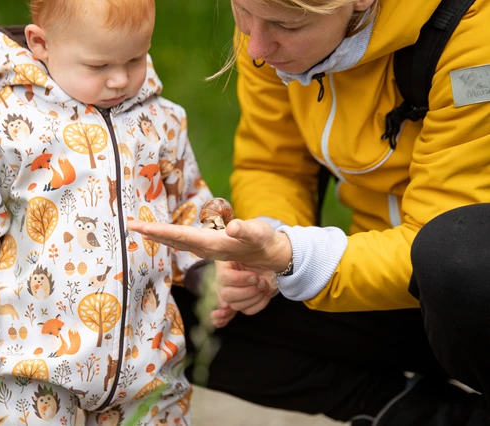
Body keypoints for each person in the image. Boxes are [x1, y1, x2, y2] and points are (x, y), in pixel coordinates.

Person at [127, 0, 490, 424]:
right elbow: (273, 163)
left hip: (467, 292)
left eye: (286, 24)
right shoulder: (264, 25)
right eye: (242, 12)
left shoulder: (473, 41)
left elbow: (447, 243)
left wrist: (291, 255)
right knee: (161, 290)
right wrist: (263, 248)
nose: (256, 47)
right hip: (388, 288)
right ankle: (415, 415)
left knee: (453, 258)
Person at [0, 0, 213, 424]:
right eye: (98, 65)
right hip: (34, 350)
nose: (120, 78)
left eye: (136, 58)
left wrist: (207, 270)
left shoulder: (162, 121)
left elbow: (187, 201)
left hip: (145, 351)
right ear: (41, 44)